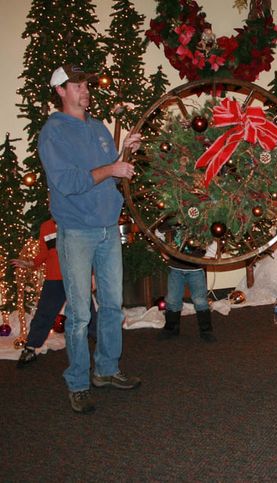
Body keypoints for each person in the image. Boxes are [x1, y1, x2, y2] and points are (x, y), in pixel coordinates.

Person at [38, 64, 142, 414]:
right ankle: (78, 382)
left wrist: (124, 152)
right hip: (77, 231)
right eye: (77, 85)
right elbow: (68, 182)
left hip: (107, 228)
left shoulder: (97, 128)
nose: (85, 90)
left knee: (113, 306)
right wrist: (111, 168)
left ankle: (107, 370)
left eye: (85, 84)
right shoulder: (53, 133)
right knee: (81, 313)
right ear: (60, 91)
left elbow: (109, 174)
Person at [11, 218, 97, 368]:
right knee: (44, 313)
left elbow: (88, 252)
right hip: (54, 279)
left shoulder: (78, 222)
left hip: (76, 277)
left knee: (88, 313)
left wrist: (92, 275)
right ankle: (30, 348)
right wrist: (31, 263)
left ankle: (103, 345)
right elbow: (44, 253)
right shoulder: (46, 226)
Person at [158, 241, 215, 342]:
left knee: (200, 300)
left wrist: (209, 255)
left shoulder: (201, 226)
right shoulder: (173, 224)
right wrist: (163, 250)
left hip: (196, 270)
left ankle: (206, 330)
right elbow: (158, 233)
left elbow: (213, 237)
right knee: (172, 299)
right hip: (175, 268)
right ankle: (171, 328)